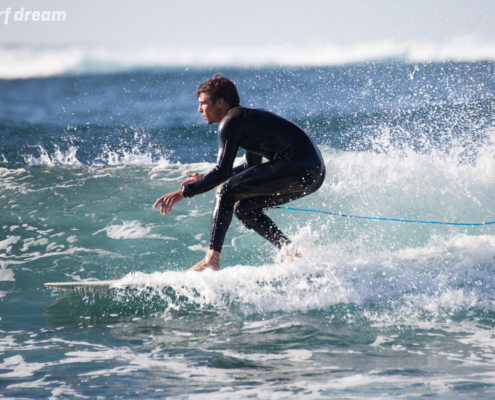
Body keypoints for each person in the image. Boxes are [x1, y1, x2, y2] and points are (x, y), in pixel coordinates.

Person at [153, 74, 325, 271]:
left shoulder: (232, 121)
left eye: (203, 103)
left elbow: (222, 172)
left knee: (226, 191)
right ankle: (293, 253)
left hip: (299, 165)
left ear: (220, 103)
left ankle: (211, 260)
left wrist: (183, 192)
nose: (199, 109)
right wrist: (209, 176)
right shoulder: (246, 121)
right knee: (244, 209)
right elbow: (249, 167)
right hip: (313, 173)